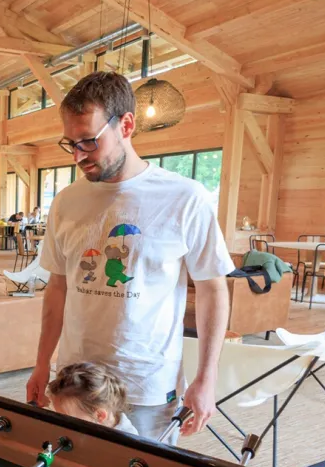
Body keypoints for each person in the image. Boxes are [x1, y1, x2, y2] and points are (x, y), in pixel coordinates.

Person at [26, 71, 233, 442]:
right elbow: (57, 289)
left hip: (148, 384)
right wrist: (42, 364)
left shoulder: (186, 197)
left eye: (88, 141)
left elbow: (212, 290)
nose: (78, 156)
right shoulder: (66, 202)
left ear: (126, 125)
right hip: (75, 383)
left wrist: (207, 376)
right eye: (69, 143)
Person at [45, 362, 138, 435]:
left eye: (67, 420)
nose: (60, 425)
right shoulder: (87, 422)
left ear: (99, 415)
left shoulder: (128, 445)